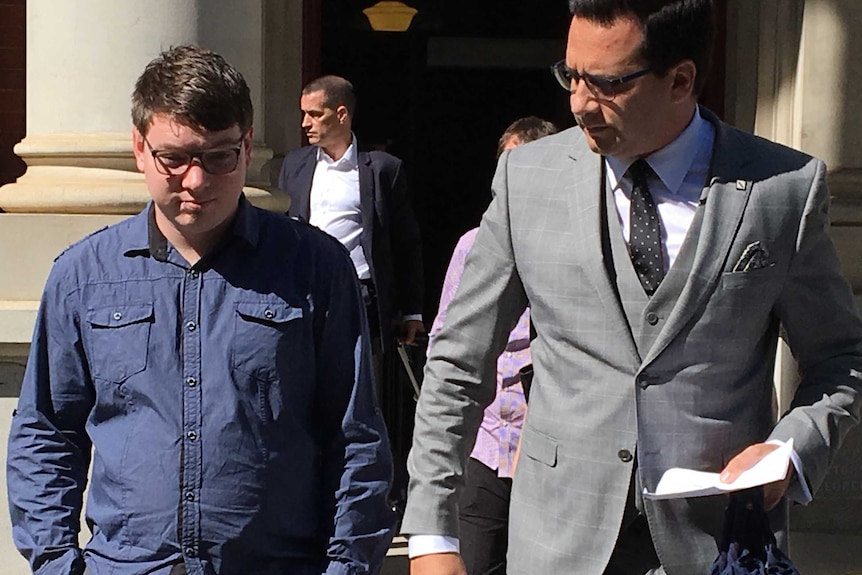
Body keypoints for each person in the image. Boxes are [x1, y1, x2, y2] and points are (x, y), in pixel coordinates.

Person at [402, 2, 862, 574]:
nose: (577, 102)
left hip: (716, 545)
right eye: (571, 75)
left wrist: (791, 450)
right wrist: (430, 534)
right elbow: (458, 364)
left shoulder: (782, 190)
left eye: (607, 83)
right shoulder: (527, 180)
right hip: (556, 543)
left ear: (681, 80)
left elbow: (840, 357)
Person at [6, 45, 395, 575]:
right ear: (139, 148)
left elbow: (356, 438)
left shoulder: (315, 268)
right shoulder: (83, 275)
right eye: (175, 157)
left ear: (247, 145)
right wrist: (54, 560)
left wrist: (346, 566)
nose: (196, 181)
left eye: (219, 157)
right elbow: (47, 432)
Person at [428, 117, 557, 575]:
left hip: (547, 449)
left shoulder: (574, 248)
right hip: (485, 443)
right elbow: (445, 340)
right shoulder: (473, 246)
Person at [277, 75, 425, 352]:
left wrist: (412, 312)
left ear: (341, 114)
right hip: (303, 290)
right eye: (304, 114)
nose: (305, 123)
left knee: (353, 382)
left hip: (358, 292)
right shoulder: (295, 164)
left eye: (314, 114)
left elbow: (406, 241)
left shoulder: (382, 169)